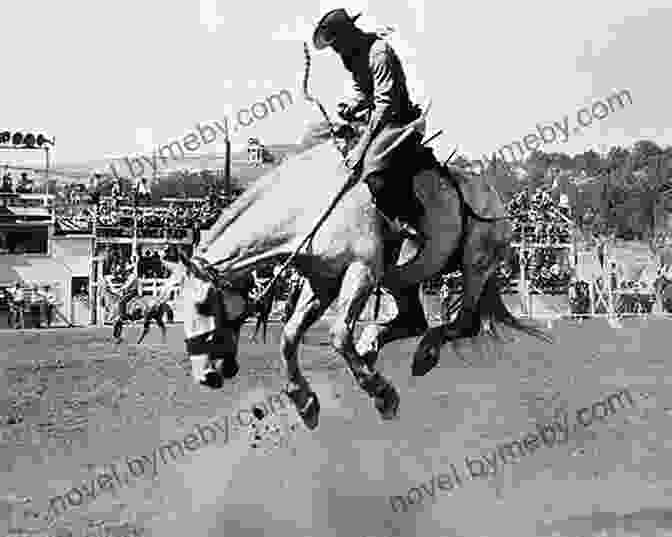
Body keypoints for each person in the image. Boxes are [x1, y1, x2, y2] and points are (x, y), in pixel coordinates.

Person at [312, 8, 425, 245]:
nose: (335, 51)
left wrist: (361, 147)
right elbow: (364, 92)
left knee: (373, 168)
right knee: (322, 141)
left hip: (400, 121)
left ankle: (409, 223)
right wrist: (351, 107)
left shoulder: (379, 52)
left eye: (336, 44)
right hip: (376, 120)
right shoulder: (350, 56)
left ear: (348, 34)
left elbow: (385, 105)